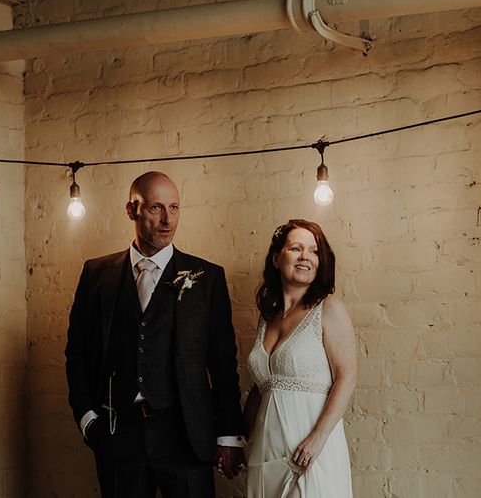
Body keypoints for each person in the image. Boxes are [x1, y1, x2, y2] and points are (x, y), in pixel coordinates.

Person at [65, 171, 246, 498]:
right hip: (118, 431)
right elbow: (76, 352)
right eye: (156, 208)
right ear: (131, 210)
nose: (167, 220)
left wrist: (229, 435)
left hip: (186, 431)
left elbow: (222, 362)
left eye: (174, 208)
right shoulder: (96, 275)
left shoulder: (207, 278)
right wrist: (87, 418)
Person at [244, 219, 356, 498]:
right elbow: (262, 386)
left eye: (314, 251)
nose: (306, 256)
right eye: (296, 248)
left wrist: (317, 439)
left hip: (309, 449)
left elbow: (347, 376)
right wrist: (235, 440)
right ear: (276, 258)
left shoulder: (329, 309)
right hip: (266, 449)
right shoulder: (267, 317)